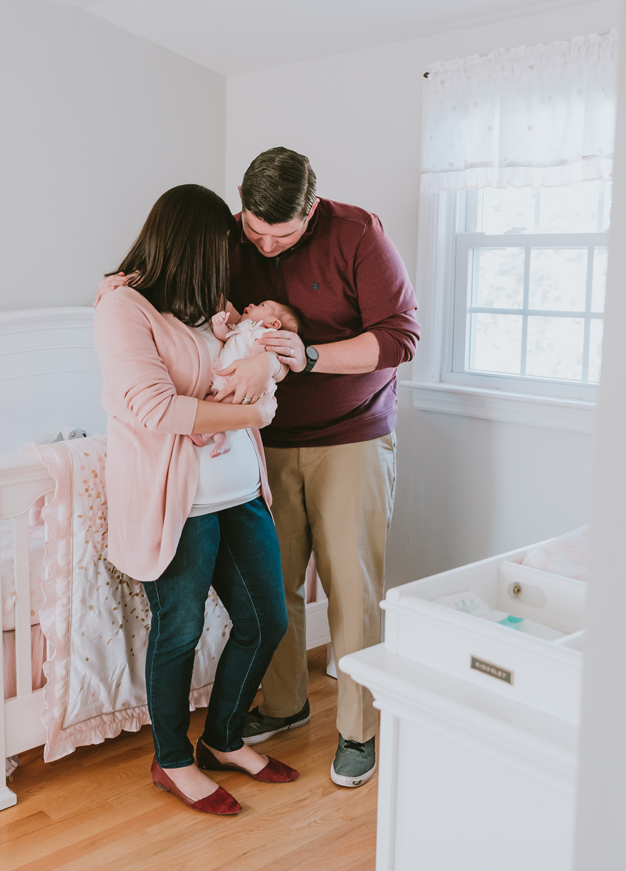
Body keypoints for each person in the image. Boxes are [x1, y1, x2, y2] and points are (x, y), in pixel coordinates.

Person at [98, 148, 418, 790]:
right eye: (255, 231)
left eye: (285, 234)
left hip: (347, 436)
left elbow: (400, 336)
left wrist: (301, 357)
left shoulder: (358, 234)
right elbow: (179, 297)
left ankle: (357, 731)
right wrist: (117, 281)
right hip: (261, 451)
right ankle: (282, 705)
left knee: (350, 587)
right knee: (278, 590)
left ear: (313, 211)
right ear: (241, 199)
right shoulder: (224, 241)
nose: (267, 246)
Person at [93, 183, 298, 816]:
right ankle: (172, 758)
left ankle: (223, 738)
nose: (229, 257)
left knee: (268, 621)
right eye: (222, 244)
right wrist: (254, 411)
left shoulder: (210, 305)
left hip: (240, 493)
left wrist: (268, 370)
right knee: (177, 633)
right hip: (179, 505)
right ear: (190, 244)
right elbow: (157, 409)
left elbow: (255, 360)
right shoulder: (124, 309)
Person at [189, 300, 301, 457]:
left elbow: (259, 350)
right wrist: (219, 324)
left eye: (262, 306)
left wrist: (251, 365)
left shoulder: (263, 333)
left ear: (274, 323)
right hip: (232, 379)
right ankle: (220, 437)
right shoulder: (243, 329)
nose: (252, 304)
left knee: (217, 404)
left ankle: (205, 434)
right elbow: (224, 336)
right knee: (211, 401)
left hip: (244, 382)